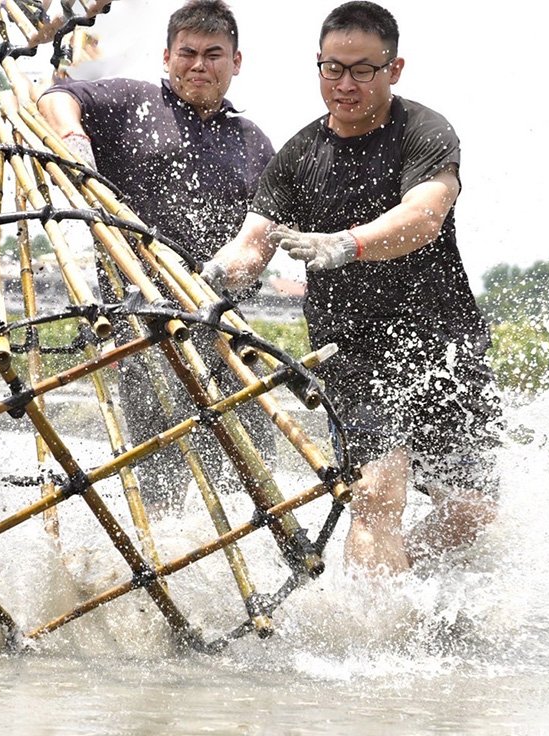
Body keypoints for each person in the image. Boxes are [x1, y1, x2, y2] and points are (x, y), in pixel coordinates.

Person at [204, 1, 501, 574]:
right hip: (350, 350)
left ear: (394, 69)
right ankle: (374, 639)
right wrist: (214, 276)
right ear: (317, 66)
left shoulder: (423, 131)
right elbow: (251, 247)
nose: (344, 83)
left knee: (474, 509)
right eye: (332, 68)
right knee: (379, 492)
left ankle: (409, 583)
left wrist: (346, 243)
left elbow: (425, 215)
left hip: (443, 340)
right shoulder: (298, 156)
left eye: (362, 69)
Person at [37, 0, 275, 512]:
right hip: (145, 327)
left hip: (227, 328)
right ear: (166, 56)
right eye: (187, 53)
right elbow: (56, 97)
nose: (199, 65)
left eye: (214, 55)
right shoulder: (131, 102)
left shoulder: (253, 141)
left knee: (253, 482)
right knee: (161, 487)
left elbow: (267, 235)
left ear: (236, 62)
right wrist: (74, 138)